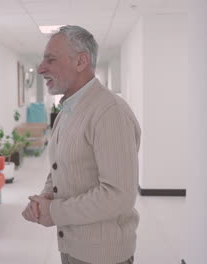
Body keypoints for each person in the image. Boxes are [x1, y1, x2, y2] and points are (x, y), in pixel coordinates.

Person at [22, 25, 140, 264]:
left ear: (81, 61)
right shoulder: (68, 109)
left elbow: (118, 195)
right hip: (72, 246)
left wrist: (53, 211)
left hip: (103, 255)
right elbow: (60, 165)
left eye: (51, 60)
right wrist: (45, 197)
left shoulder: (109, 112)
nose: (42, 68)